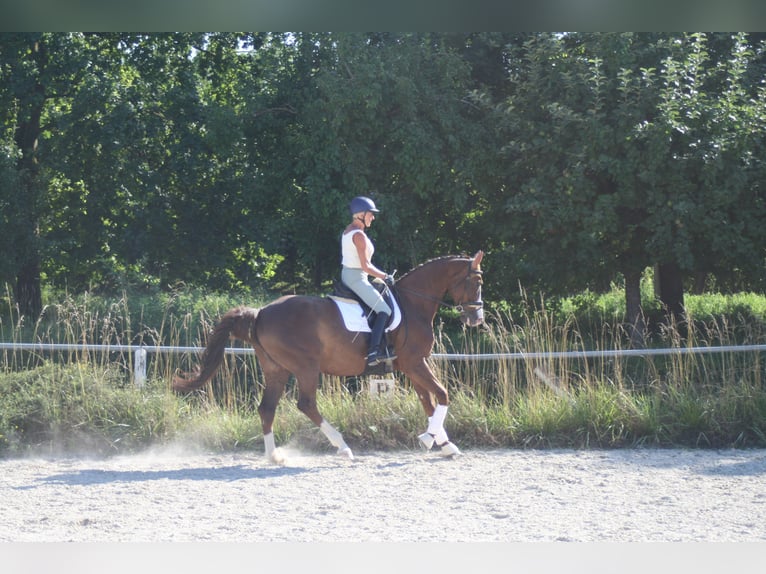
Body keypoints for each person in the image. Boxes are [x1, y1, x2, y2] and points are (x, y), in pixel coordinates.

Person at [341, 196, 397, 366]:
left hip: (351, 274)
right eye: (370, 214)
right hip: (356, 277)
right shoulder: (359, 236)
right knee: (384, 309)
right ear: (360, 215)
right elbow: (366, 266)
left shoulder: (349, 230)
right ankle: (373, 351)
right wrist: (385, 276)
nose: (373, 217)